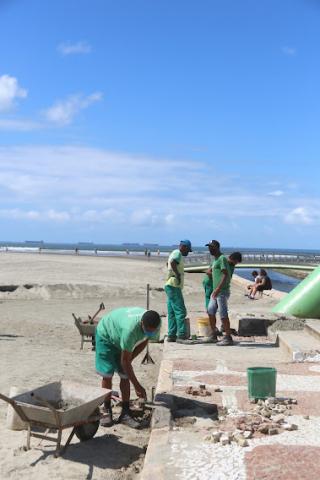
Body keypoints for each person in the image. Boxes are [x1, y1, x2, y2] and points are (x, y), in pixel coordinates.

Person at [95, 307, 160, 428]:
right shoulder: (130, 330)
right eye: (147, 330)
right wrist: (137, 386)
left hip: (120, 337)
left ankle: (125, 413)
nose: (150, 332)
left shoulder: (155, 324)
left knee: (124, 374)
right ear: (142, 324)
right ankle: (106, 409)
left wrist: (129, 359)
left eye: (152, 331)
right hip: (106, 335)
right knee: (107, 374)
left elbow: (145, 340)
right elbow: (125, 362)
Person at [206, 240, 242, 346]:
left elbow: (226, 275)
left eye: (211, 247)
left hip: (221, 291)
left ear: (217, 248)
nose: (210, 249)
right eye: (209, 247)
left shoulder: (222, 259)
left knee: (223, 314)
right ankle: (214, 334)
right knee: (210, 311)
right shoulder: (216, 259)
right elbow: (210, 272)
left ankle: (228, 337)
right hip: (215, 291)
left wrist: (218, 288)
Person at [164, 239, 192, 343]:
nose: (187, 253)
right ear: (183, 247)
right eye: (187, 250)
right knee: (180, 311)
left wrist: (171, 272)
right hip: (174, 285)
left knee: (172, 312)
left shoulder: (173, 253)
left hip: (169, 285)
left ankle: (171, 335)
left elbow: (167, 263)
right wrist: (178, 274)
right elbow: (172, 263)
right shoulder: (178, 253)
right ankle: (181, 335)